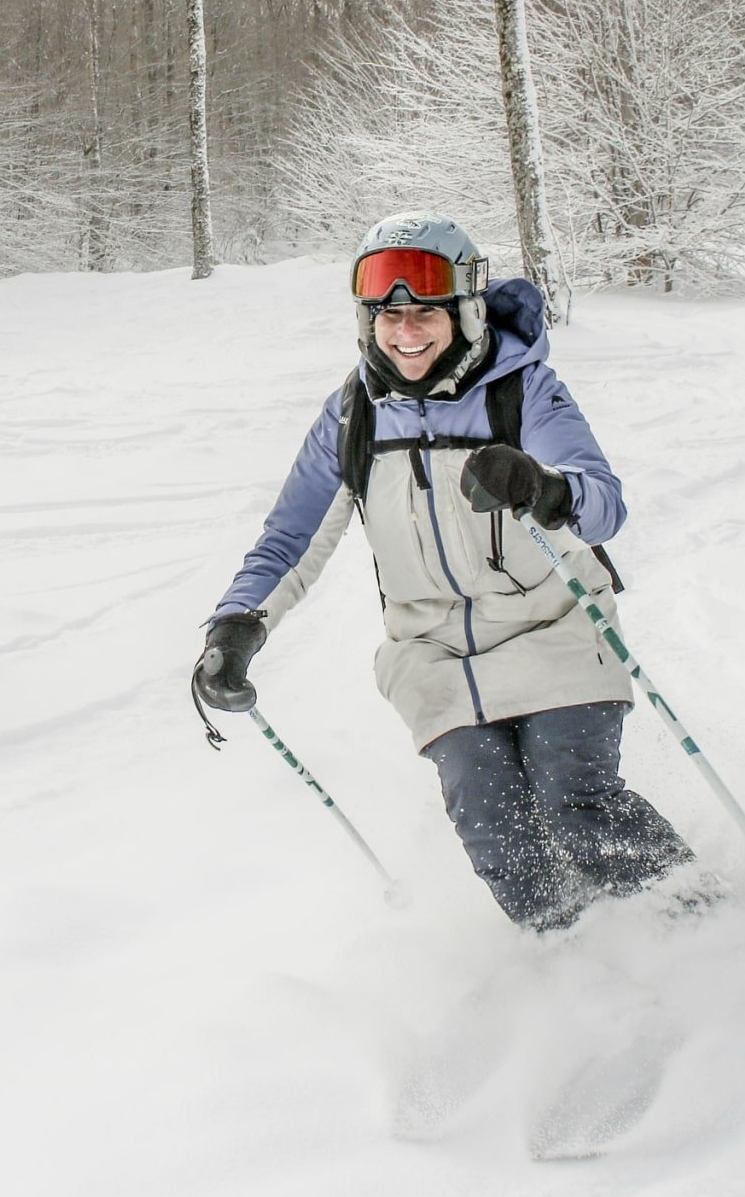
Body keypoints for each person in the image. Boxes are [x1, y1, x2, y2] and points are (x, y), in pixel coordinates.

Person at [195, 212, 693, 930]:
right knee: (499, 835)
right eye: (387, 315)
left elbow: (603, 504)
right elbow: (289, 539)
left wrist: (542, 485)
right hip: (433, 654)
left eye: (424, 310)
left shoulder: (521, 390)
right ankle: (588, 968)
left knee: (574, 802)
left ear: (462, 309)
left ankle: (708, 932)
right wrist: (237, 625)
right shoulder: (352, 417)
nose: (405, 331)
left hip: (552, 629)